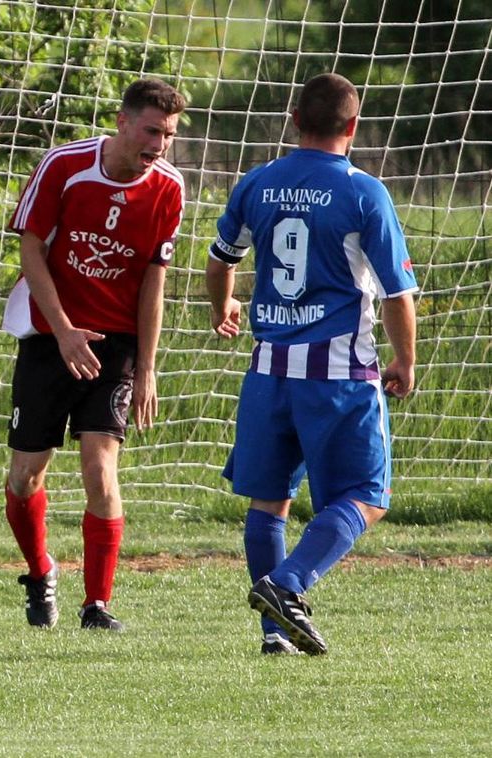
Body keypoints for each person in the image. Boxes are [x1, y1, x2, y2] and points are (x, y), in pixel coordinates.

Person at [206, 72, 418, 655]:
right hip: (338, 376)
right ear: (354, 126)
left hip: (268, 372)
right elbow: (397, 293)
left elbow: (220, 260)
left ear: (295, 120)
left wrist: (223, 305)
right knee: (367, 495)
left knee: (268, 499)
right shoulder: (363, 192)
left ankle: (276, 636)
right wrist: (405, 359)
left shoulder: (258, 182)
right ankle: (289, 583)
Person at [2, 78, 187, 630]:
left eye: (169, 135)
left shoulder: (169, 187)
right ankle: (40, 571)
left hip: (115, 345)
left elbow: (154, 280)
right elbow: (30, 250)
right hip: (49, 336)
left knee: (100, 468)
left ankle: (96, 605)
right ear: (122, 122)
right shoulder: (64, 165)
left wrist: (148, 366)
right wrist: (63, 331)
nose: (159, 144)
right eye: (151, 131)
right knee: (25, 475)